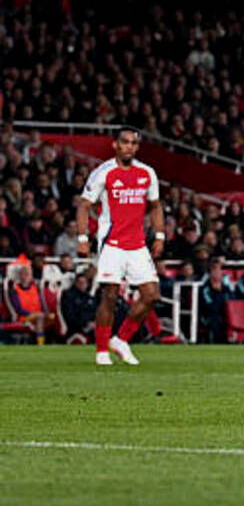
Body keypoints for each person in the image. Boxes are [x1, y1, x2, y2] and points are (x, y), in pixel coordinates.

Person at [76, 126, 164, 366]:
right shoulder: (103, 173)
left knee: (151, 295)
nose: (129, 147)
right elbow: (84, 205)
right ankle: (102, 351)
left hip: (137, 245)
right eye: (124, 142)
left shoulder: (147, 173)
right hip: (111, 244)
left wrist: (159, 236)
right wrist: (83, 238)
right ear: (115, 144)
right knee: (110, 297)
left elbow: (155, 206)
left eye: (133, 143)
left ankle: (121, 340)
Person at [8, 262, 48, 344]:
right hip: (25, 317)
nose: (26, 276)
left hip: (40, 315)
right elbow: (18, 309)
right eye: (24, 274)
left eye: (28, 274)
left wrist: (43, 313)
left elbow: (42, 303)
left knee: (49, 317)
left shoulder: (36, 288)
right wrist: (33, 314)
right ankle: (41, 345)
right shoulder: (15, 289)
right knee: (39, 320)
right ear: (20, 276)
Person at [61, 266, 98, 342]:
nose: (83, 285)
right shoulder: (69, 296)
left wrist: (94, 322)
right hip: (76, 328)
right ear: (76, 283)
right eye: (80, 283)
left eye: (84, 283)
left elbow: (95, 312)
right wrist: (86, 323)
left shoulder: (89, 297)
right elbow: (70, 316)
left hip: (91, 326)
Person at [199, 260, 229, 343]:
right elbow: (209, 306)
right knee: (216, 320)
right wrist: (217, 293)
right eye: (215, 269)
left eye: (219, 270)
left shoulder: (226, 288)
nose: (217, 272)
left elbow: (230, 301)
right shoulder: (205, 289)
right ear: (210, 273)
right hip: (208, 316)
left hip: (224, 313)